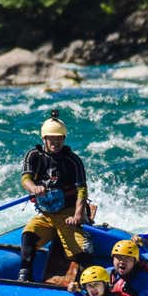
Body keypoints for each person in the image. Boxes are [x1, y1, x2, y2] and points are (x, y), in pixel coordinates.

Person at [18, 110, 92, 282]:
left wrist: (78, 214)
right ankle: (24, 277)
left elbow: (82, 189)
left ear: (64, 139)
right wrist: (33, 188)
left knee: (81, 252)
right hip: (45, 214)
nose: (55, 142)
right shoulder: (34, 156)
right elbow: (25, 179)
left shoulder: (73, 160)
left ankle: (86, 282)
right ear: (44, 139)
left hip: (68, 213)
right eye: (51, 138)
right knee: (28, 236)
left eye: (59, 138)